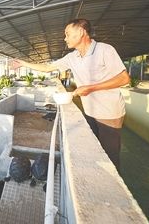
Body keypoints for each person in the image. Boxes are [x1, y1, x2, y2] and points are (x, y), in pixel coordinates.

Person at [13, 18, 130, 170]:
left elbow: (124, 78)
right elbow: (48, 67)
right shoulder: (72, 57)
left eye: (67, 34)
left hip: (108, 113)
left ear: (81, 32)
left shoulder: (104, 50)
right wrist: (23, 63)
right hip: (89, 111)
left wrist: (91, 88)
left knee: (110, 154)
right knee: (95, 150)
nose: (65, 38)